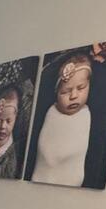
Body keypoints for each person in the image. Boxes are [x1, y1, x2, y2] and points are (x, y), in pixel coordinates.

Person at [30, 53, 94, 186]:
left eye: (81, 88)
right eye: (65, 92)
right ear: (56, 93)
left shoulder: (86, 116)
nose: (74, 96)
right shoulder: (51, 113)